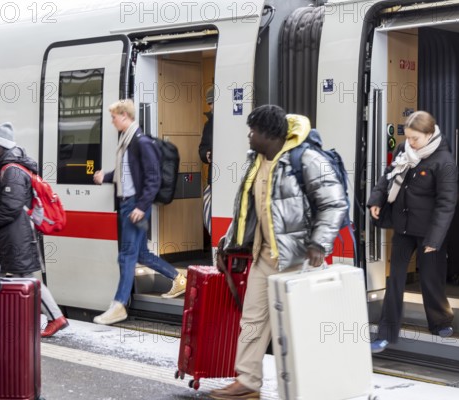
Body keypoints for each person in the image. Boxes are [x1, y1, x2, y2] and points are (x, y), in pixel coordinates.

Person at [209, 105, 348, 399]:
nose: (249, 135)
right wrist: (227, 244)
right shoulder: (256, 161)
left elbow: (334, 203)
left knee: (301, 328)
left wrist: (319, 243)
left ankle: (315, 387)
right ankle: (247, 382)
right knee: (252, 320)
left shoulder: (306, 158)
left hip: (298, 260)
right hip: (265, 256)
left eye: (253, 130)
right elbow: (245, 211)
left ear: (269, 134)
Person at [367, 111, 457, 353]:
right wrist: (376, 199)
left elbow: (446, 203)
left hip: (429, 231)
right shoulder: (404, 151)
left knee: (431, 279)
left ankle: (440, 322)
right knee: (395, 280)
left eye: (415, 139)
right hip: (404, 227)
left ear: (429, 135)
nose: (411, 143)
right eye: (408, 138)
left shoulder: (444, 161)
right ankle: (386, 333)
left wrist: (435, 239)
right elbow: (386, 178)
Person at [92, 99, 186, 325]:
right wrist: (104, 177)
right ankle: (178, 277)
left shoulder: (141, 142)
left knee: (126, 255)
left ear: (125, 116)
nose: (113, 122)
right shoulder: (128, 141)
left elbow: (153, 178)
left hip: (133, 205)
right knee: (141, 254)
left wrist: (141, 207)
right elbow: (126, 172)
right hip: (129, 203)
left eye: (114, 117)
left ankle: (119, 305)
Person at [0, 122, 68, 338]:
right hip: (9, 234)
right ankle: (1, 319)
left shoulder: (11, 171)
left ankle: (55, 317)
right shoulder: (5, 168)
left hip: (15, 235)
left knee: (24, 276)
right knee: (1, 274)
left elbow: (11, 207)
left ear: (0, 145)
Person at [198, 87, 214, 235]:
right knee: (207, 213)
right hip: (213, 178)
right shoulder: (208, 125)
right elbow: (202, 148)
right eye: (209, 103)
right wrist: (206, 155)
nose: (211, 106)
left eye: (213, 102)